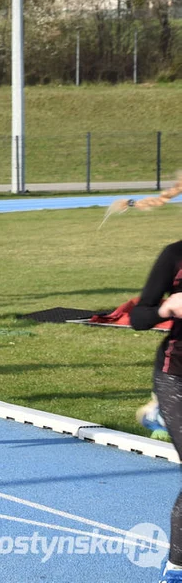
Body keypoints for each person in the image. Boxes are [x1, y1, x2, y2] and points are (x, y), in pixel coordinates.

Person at [131, 221, 182, 581]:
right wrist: (166, 309)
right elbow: (139, 316)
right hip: (177, 376)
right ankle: (176, 568)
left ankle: (163, 417)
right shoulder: (175, 255)